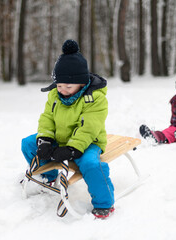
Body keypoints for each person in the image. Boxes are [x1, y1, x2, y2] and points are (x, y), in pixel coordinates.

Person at [21, 39, 114, 219]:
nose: (62, 90)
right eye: (59, 85)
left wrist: (73, 149)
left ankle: (104, 203)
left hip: (87, 142)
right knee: (28, 144)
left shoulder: (95, 99)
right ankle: (47, 176)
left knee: (91, 164)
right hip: (60, 138)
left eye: (68, 86)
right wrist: (45, 139)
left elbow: (89, 127)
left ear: (81, 82)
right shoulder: (55, 95)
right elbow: (47, 118)